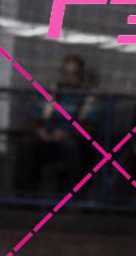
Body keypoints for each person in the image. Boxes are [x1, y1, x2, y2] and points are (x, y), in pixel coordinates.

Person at [16, 54, 101, 195]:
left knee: (71, 146)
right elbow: (34, 119)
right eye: (66, 73)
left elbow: (90, 126)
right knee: (26, 143)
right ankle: (24, 194)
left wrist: (68, 133)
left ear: (81, 75)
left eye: (74, 74)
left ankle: (75, 196)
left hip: (70, 140)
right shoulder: (52, 93)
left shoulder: (88, 97)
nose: (69, 78)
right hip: (46, 139)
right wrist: (39, 131)